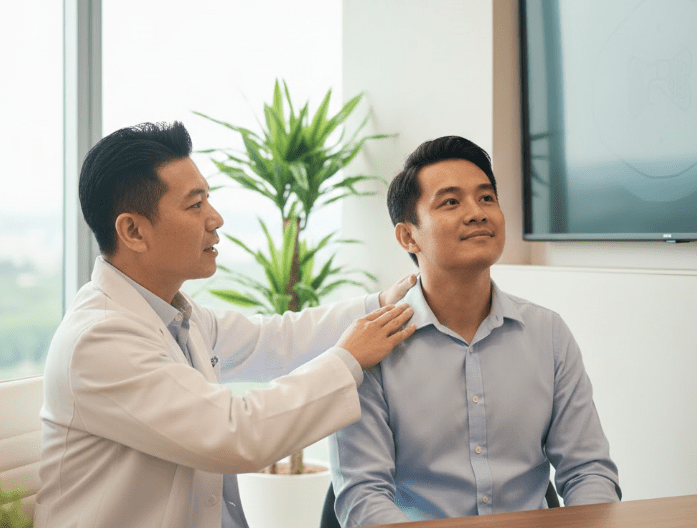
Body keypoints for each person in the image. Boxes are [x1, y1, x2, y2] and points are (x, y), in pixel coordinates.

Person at [34, 121, 416, 528]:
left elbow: (272, 340)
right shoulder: (100, 338)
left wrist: (377, 306)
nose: (215, 219)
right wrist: (348, 359)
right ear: (133, 230)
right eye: (195, 205)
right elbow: (235, 434)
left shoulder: (175, 314)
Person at [329, 136, 621, 526]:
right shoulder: (370, 347)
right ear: (407, 236)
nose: (477, 213)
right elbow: (363, 497)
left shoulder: (546, 332)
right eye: (451, 202)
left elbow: (588, 471)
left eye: (486, 198)